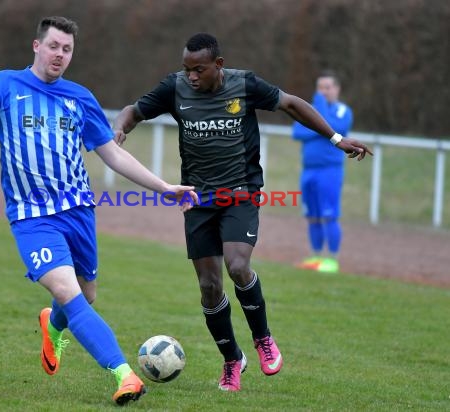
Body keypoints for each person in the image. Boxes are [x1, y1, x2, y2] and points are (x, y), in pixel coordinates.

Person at [0, 16, 198, 406]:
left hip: (79, 212)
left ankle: (52, 324)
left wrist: (163, 187)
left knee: (85, 296)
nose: (60, 54)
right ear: (37, 46)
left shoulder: (79, 97)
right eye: (54, 46)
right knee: (67, 292)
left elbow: (113, 154)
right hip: (32, 217)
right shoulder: (5, 84)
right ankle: (124, 375)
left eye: (67, 49)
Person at [112, 33, 371, 392]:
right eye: (186, 69)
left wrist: (336, 138)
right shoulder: (175, 88)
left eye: (199, 69)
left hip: (240, 193)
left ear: (218, 65)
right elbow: (133, 110)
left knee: (237, 265)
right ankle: (232, 359)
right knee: (208, 285)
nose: (191, 76)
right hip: (198, 199)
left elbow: (292, 104)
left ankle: (263, 338)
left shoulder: (244, 85)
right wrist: (119, 128)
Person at [292, 71, 353, 274]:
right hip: (308, 171)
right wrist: (324, 132)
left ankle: (332, 260)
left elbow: (337, 127)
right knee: (312, 216)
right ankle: (316, 257)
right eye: (320, 88)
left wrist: (321, 113)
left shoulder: (343, 110)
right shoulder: (309, 111)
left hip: (330, 171)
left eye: (327, 87)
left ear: (337, 89)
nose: (323, 92)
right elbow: (297, 132)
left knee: (329, 215)